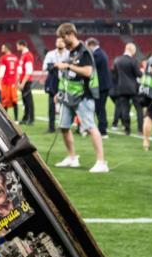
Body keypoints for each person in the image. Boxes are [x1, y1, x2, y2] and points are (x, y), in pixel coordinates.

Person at [53, 23, 108, 173]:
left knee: (90, 127)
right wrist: (60, 93)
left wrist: (68, 66)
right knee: (64, 127)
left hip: (84, 96)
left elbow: (88, 72)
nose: (62, 41)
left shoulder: (84, 51)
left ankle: (101, 162)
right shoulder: (71, 52)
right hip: (69, 96)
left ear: (71, 34)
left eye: (63, 38)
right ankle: (72, 158)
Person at [111, 43, 142, 136]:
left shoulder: (117, 60)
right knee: (139, 109)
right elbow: (139, 74)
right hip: (133, 88)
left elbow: (115, 75)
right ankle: (140, 129)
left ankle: (127, 129)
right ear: (132, 50)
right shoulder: (133, 61)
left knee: (125, 109)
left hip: (121, 88)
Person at [85, 38, 111, 138]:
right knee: (99, 108)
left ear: (91, 45)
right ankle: (100, 128)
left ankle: (103, 130)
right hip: (103, 85)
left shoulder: (97, 55)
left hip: (101, 86)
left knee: (100, 109)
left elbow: (90, 67)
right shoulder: (101, 53)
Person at [42, 37, 66, 133]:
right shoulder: (50, 54)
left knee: (65, 105)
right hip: (53, 82)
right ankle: (51, 127)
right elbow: (45, 67)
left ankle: (64, 127)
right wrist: (55, 65)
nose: (59, 43)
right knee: (51, 105)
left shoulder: (68, 53)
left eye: (61, 41)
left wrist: (62, 65)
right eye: (57, 41)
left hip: (65, 82)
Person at [16, 40, 35, 124]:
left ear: (22, 45)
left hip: (26, 81)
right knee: (24, 100)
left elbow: (28, 71)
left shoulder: (28, 55)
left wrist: (23, 83)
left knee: (28, 100)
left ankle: (31, 119)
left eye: (18, 45)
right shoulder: (23, 55)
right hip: (22, 81)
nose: (17, 47)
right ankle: (25, 118)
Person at [0, 43, 20, 120]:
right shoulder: (15, 58)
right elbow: (18, 71)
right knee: (14, 100)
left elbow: (1, 71)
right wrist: (17, 82)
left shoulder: (3, 58)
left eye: (3, 47)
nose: (1, 49)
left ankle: (5, 119)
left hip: (6, 82)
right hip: (13, 83)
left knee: (5, 101)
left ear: (7, 48)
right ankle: (16, 119)